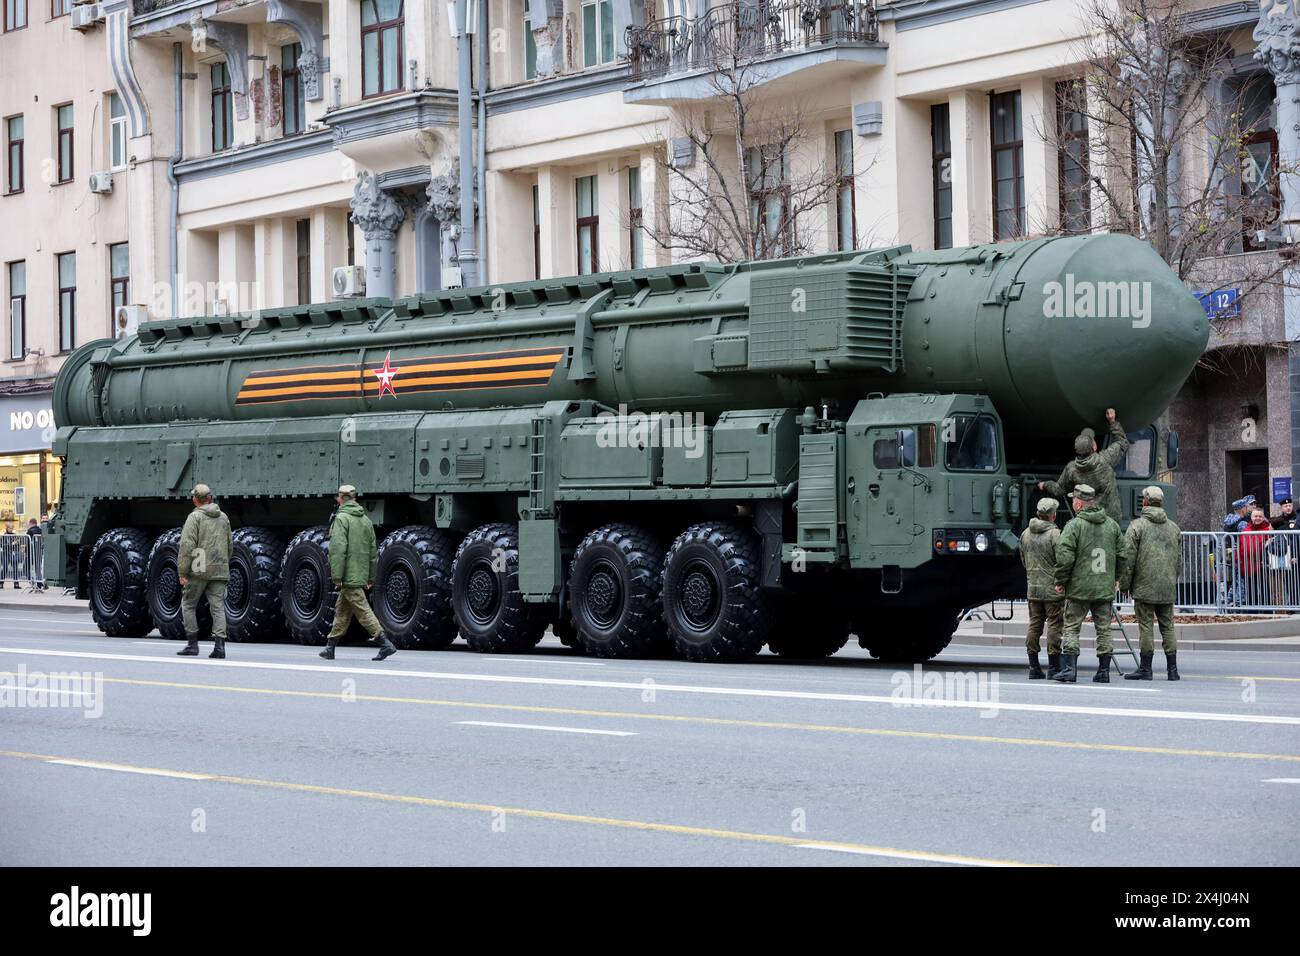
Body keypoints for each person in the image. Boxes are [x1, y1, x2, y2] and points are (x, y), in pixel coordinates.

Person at [1052, 483, 1129, 684]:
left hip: (1079, 588)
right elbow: (1123, 555)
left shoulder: (1074, 526)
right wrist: (1116, 578)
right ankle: (1103, 671)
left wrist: (1060, 580)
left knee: (1071, 627)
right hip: (1104, 587)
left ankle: (1069, 670)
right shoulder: (1111, 525)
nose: (1072, 503)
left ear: (1079, 503)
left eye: (1073, 500)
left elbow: (1064, 557)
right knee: (1103, 629)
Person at [319, 485, 397, 662]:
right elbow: (372, 552)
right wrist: (370, 577)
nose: (337, 500)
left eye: (338, 497)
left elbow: (338, 550)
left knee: (362, 610)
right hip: (359, 574)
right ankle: (330, 647)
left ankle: (385, 643)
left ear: (343, 499)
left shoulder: (341, 519)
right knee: (342, 610)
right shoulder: (366, 521)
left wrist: (337, 576)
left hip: (348, 575)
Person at [1118, 486, 1182, 681]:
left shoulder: (1137, 526)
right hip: (1167, 586)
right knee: (1168, 626)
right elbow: (1178, 560)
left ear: (1144, 502)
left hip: (1144, 586)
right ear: (1161, 502)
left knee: (1146, 627)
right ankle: (1173, 670)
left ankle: (1146, 669)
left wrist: (1125, 585)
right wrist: (1173, 580)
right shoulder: (1174, 527)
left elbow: (1128, 559)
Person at [1038, 408, 1130, 524]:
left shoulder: (1072, 469)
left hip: (1086, 523)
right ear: (1095, 446)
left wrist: (1044, 484)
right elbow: (1123, 442)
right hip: (1110, 521)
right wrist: (1112, 421)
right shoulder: (1105, 459)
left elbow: (1058, 489)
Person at [177, 483, 232, 659]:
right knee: (218, 607)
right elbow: (229, 545)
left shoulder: (194, 517)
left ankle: (192, 644)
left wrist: (183, 572)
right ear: (210, 497)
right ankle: (220, 647)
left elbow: (187, 546)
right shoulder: (223, 517)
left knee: (189, 604)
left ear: (195, 499)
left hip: (199, 567)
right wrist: (223, 562)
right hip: (219, 567)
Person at [1020, 497, 1064, 679]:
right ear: (1053, 516)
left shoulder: (1025, 534)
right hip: (1052, 590)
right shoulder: (1055, 535)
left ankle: (1033, 667)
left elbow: (1023, 560)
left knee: (1034, 625)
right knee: (1054, 625)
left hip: (1033, 589)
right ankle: (1054, 667)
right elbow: (1062, 561)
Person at [1234, 509, 1272, 608]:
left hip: (1262, 565)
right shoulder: (1246, 530)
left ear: (1263, 517)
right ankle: (1252, 610)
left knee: (1265, 590)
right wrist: (1238, 561)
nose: (1257, 518)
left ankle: (1266, 610)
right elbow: (1240, 546)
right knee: (1250, 590)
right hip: (1248, 566)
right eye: (1255, 516)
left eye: (1260, 516)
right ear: (1251, 517)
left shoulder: (1268, 530)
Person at [25, 518, 45, 590]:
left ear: (31, 523)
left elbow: (27, 542)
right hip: (38, 552)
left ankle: (32, 581)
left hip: (31, 552)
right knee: (38, 569)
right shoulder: (41, 530)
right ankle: (39, 584)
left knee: (26, 567)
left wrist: (25, 552)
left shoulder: (29, 531)